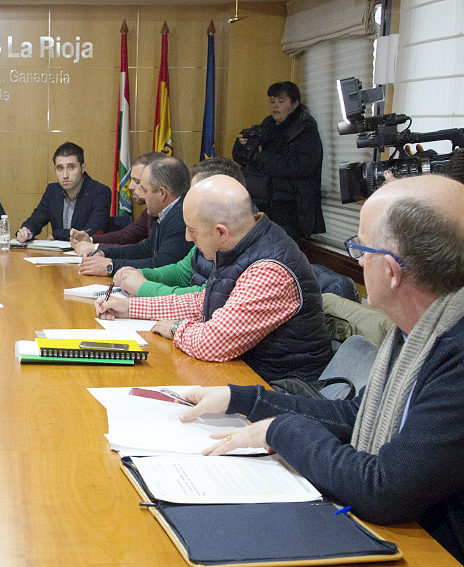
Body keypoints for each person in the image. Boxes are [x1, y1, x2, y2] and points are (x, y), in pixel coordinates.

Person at [179, 175, 464, 562]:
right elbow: (355, 415)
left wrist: (281, 430)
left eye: (360, 249)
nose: (357, 261)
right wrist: (243, 399)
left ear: (392, 272)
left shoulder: (455, 353)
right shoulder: (417, 332)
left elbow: (383, 489)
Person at [96, 174, 332, 384]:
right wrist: (131, 307)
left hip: (280, 390)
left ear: (221, 232)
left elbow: (213, 342)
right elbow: (204, 301)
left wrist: (176, 328)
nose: (187, 238)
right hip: (246, 376)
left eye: (192, 230)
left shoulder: (269, 270)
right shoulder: (243, 245)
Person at [113, 157, 244, 297]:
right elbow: (181, 273)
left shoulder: (245, 250)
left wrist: (142, 288)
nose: (188, 237)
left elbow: (204, 298)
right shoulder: (211, 228)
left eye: (193, 195)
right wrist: (138, 273)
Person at [232, 81, 324, 239]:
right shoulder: (267, 125)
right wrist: (243, 145)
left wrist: (261, 156)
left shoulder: (305, 131)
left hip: (290, 209)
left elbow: (300, 167)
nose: (275, 106)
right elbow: (244, 160)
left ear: (295, 104)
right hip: (262, 204)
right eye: (272, 101)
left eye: (281, 101)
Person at [77, 155, 191, 277]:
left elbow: (162, 265)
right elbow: (145, 249)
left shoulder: (181, 217)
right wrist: (105, 253)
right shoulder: (166, 212)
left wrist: (111, 266)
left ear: (162, 193)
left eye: (145, 190)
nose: (142, 195)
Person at [68, 151, 164, 250]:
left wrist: (96, 247)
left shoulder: (171, 216)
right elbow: (124, 236)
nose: (130, 187)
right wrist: (90, 240)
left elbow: (147, 252)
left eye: (137, 181)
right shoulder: (151, 212)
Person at [17, 142, 110, 242]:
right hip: (59, 251)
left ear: (83, 168)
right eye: (60, 168)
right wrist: (27, 231)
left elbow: (93, 231)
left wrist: (58, 234)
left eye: (71, 167)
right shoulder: (52, 191)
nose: (65, 175)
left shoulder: (100, 192)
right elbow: (36, 220)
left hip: (87, 251)